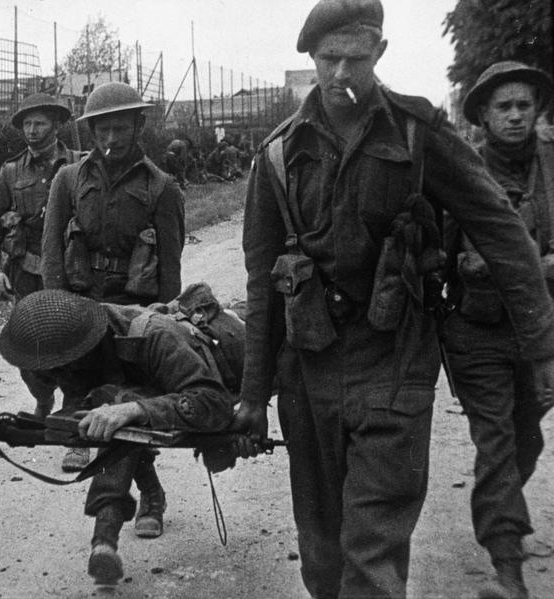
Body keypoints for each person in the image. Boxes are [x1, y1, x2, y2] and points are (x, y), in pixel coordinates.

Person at [231, 2, 554, 598]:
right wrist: (253, 394)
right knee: (322, 554)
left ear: (379, 53)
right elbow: (260, 279)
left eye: (357, 58)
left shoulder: (417, 132)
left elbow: (501, 231)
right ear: (310, 59)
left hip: (395, 362)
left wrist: (541, 347)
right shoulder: (278, 153)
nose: (342, 74)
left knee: (373, 550)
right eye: (329, 59)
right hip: (309, 367)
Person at [0, 289, 235, 585]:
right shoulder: (46, 348)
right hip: (123, 386)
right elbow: (46, 388)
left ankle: (105, 536)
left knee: (112, 404)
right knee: (106, 409)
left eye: (65, 367)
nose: (58, 375)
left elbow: (214, 402)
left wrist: (133, 409)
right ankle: (145, 499)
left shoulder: (155, 337)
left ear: (84, 349)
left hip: (180, 382)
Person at [443, 61, 554, 599]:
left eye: (524, 105)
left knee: (527, 437)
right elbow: (436, 254)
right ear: (483, 115)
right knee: (498, 441)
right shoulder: (461, 170)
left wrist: (535, 265)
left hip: (542, 332)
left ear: (537, 110)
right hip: (477, 330)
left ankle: (501, 510)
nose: (515, 115)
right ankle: (507, 569)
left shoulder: (552, 168)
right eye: (503, 107)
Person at [41, 82, 185, 477]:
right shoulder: (67, 180)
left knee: (130, 398)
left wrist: (164, 320)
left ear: (138, 126)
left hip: (132, 305)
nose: (110, 138)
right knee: (79, 382)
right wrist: (54, 311)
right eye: (102, 130)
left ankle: (150, 494)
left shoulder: (161, 186)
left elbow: (170, 264)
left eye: (120, 128)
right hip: (82, 299)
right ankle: (80, 439)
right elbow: (53, 252)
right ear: (90, 132)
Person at [0, 93, 84, 470]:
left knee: (75, 350)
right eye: (27, 124)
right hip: (26, 272)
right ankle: (42, 400)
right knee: (26, 351)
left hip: (70, 273)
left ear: (56, 126)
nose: (33, 131)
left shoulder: (77, 165)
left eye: (40, 123)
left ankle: (76, 433)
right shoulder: (11, 172)